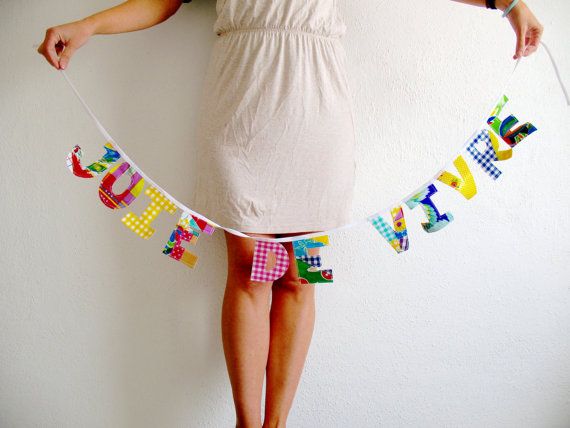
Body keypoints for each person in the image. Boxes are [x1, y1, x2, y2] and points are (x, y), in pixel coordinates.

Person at [37, 1, 543, 427]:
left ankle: (277, 425)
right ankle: (246, 423)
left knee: (301, 276)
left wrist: (509, 4)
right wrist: (88, 27)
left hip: (316, 115)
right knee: (248, 267)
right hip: (240, 113)